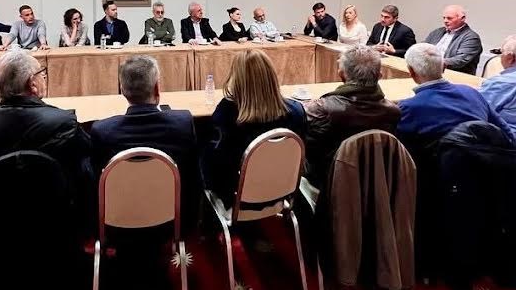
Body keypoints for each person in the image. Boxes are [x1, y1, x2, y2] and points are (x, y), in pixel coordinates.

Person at [0, 50, 90, 202]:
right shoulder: (64, 122)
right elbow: (86, 162)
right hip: (51, 208)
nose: (44, 76)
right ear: (32, 83)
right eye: (41, 73)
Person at [90, 55, 199, 224]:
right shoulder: (183, 123)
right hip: (172, 222)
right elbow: (194, 176)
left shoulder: (102, 131)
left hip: (119, 223)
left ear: (122, 90)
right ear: (157, 88)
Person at [203, 50, 305, 204]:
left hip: (238, 199)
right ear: (271, 76)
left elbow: (214, 165)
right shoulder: (296, 112)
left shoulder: (227, 113)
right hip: (281, 195)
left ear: (237, 80)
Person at [302, 45, 401, 189]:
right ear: (380, 75)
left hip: (325, 184)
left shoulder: (321, 109)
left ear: (341, 74)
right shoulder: (393, 112)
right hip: (373, 183)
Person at [398, 43, 513, 149]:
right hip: (485, 160)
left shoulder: (408, 108)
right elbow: (506, 133)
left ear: (411, 71)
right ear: (444, 67)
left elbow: (398, 150)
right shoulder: (473, 93)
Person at [423, 5, 482, 75]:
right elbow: (423, 47)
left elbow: (459, 60)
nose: (445, 21)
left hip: (454, 75)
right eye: (444, 18)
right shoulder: (437, 31)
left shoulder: (471, 37)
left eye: (449, 18)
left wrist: (432, 63)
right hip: (429, 71)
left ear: (462, 18)